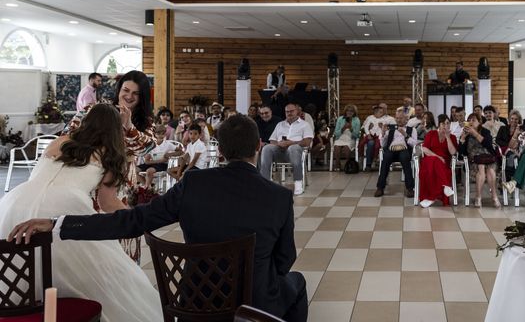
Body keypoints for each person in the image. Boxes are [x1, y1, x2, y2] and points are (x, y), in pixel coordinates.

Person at [9, 115, 308, 322]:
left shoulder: (194, 184)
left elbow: (132, 221)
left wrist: (59, 223)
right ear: (258, 147)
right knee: (296, 283)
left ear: (222, 151)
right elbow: (284, 260)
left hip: (196, 302)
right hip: (254, 306)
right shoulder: (278, 197)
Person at [0, 104, 162, 322]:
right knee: (98, 271)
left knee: (22, 258)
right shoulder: (111, 153)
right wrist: (135, 218)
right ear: (115, 129)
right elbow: (108, 203)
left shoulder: (60, 141)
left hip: (18, 201)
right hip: (65, 206)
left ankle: (24, 305)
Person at [112, 70, 156, 261]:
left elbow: (145, 148)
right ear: (119, 89)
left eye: (135, 93)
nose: (128, 96)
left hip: (124, 180)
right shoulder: (100, 110)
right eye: (125, 90)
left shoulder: (146, 122)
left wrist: (128, 124)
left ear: (142, 97)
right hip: (95, 177)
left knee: (124, 237)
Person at [260, 103, 313, 195]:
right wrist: (279, 144)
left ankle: (297, 183)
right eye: (287, 112)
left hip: (296, 152)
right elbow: (272, 140)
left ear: (297, 111)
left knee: (294, 148)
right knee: (267, 148)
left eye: (291, 111)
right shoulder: (280, 124)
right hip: (280, 151)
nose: (289, 113)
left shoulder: (304, 125)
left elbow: (307, 142)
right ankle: (265, 182)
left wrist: (291, 143)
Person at [459, 114, 500, 208]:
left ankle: (494, 196)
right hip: (474, 160)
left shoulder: (485, 131)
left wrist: (475, 134)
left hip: (488, 158)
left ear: (479, 122)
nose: (470, 122)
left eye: (473, 120)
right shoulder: (466, 133)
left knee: (490, 170)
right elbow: (461, 152)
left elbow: (489, 145)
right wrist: (462, 138)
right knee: (481, 167)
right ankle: (478, 197)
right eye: (469, 120)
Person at [418, 114, 457, 207]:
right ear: (439, 124)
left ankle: (431, 198)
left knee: (435, 166)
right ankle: (446, 186)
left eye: (447, 123)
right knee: (434, 160)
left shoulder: (452, 137)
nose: (445, 125)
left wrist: (447, 137)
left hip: (444, 164)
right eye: (443, 123)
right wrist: (438, 157)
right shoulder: (431, 134)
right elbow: (425, 149)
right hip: (429, 160)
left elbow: (452, 152)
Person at [374, 112, 417, 198]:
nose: (398, 120)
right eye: (397, 118)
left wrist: (405, 135)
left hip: (404, 149)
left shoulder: (412, 130)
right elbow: (383, 144)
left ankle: (410, 188)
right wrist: (383, 132)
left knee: (405, 158)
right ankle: (380, 187)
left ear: (406, 119)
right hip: (391, 149)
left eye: (401, 118)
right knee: (386, 157)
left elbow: (414, 143)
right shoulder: (390, 129)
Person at [332, 105, 361, 171]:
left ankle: (347, 164)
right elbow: (335, 133)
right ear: (345, 112)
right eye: (348, 111)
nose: (349, 112)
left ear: (354, 112)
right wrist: (343, 128)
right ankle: (337, 163)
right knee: (336, 146)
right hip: (340, 137)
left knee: (346, 147)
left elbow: (357, 135)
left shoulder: (356, 120)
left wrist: (351, 129)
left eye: (351, 111)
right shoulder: (340, 119)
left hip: (350, 138)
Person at [359, 106, 385, 170]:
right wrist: (368, 134)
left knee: (377, 146)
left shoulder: (383, 119)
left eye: (382, 112)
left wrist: (382, 127)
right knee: (362, 143)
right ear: (375, 113)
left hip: (378, 136)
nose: (382, 114)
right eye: (380, 112)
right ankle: (361, 156)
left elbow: (384, 129)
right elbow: (365, 127)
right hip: (370, 134)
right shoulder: (370, 118)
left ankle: (374, 158)